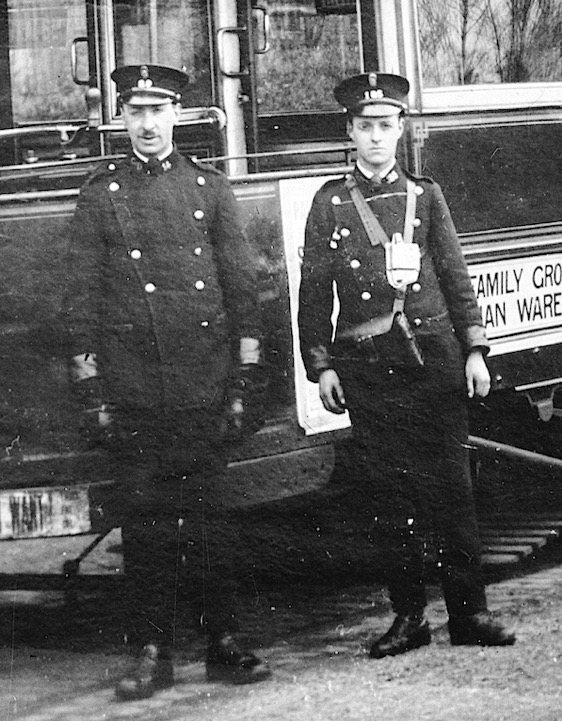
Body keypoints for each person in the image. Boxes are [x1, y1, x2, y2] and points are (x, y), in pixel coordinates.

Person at [63, 64, 271, 698]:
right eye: (136, 113)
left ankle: (225, 643)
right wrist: (94, 392)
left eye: (158, 112)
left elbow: (243, 292)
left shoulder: (210, 189)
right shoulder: (101, 195)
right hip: (135, 394)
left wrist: (243, 383)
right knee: (147, 530)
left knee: (213, 524)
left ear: (177, 116)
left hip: (203, 387)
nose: (148, 125)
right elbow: (82, 304)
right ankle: (151, 652)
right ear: (123, 119)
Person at [298, 72, 515, 658]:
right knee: (390, 499)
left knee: (451, 490)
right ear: (350, 132)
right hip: (368, 369)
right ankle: (408, 617)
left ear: (401, 130)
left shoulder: (426, 195)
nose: (375, 138)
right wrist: (321, 366)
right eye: (364, 127)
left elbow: (455, 275)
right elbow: (314, 293)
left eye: (385, 126)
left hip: (434, 361)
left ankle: (470, 613)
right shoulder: (329, 203)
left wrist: (475, 349)